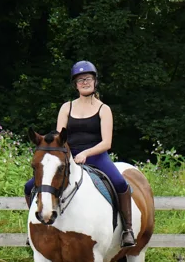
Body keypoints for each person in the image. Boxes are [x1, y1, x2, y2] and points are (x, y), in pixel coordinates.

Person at [24, 60, 136, 247]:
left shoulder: (104, 109)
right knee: (30, 186)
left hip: (96, 156)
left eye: (88, 78)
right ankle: (36, 226)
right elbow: (59, 138)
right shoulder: (66, 107)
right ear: (75, 84)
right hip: (69, 157)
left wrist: (85, 153)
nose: (85, 82)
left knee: (120, 183)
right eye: (80, 80)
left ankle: (127, 229)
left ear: (95, 81)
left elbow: (106, 142)